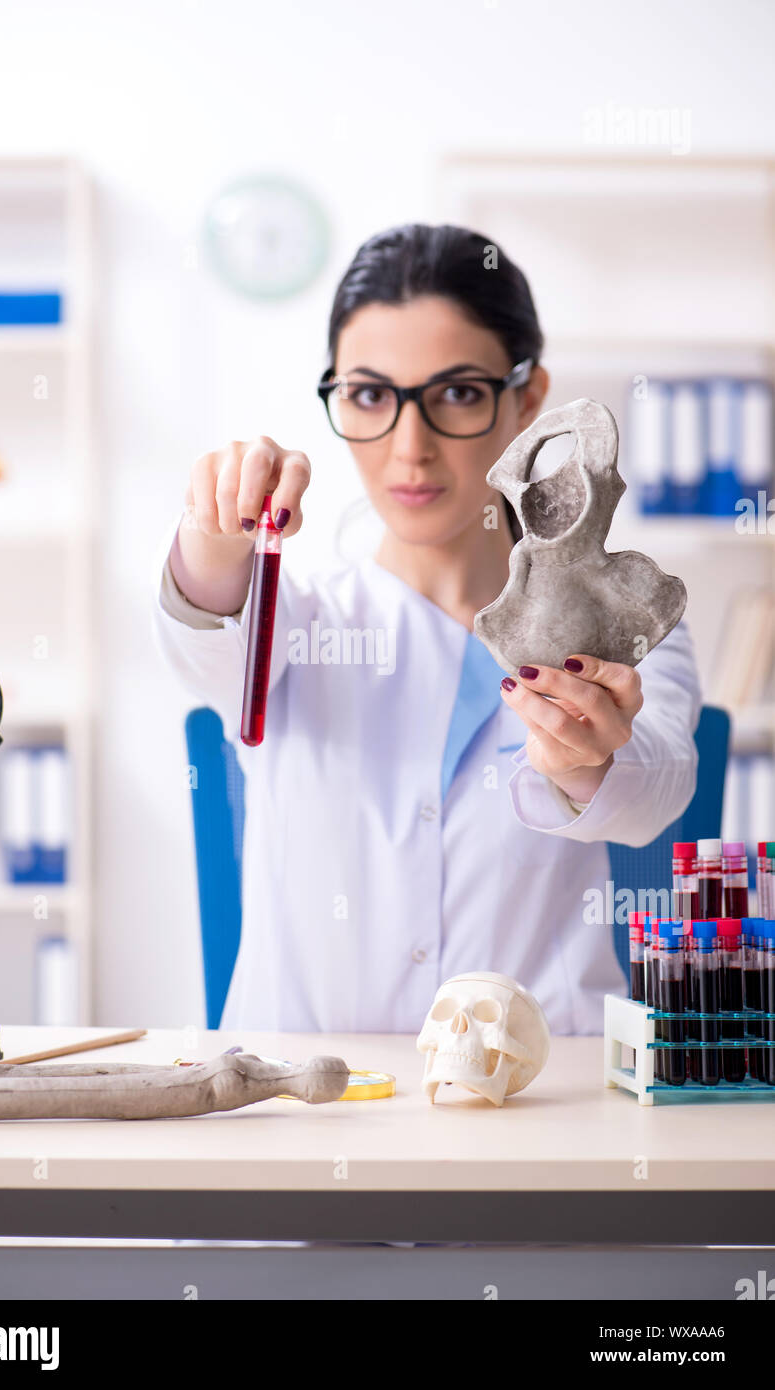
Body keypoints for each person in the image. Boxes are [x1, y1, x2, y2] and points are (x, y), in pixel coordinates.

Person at [150, 223, 701, 1036]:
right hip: (303, 1112)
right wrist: (214, 535)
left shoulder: (618, 616)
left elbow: (653, 791)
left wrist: (584, 763)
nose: (410, 449)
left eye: (457, 392)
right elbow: (207, 631)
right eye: (370, 395)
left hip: (543, 1116)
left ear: (528, 396)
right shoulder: (294, 616)